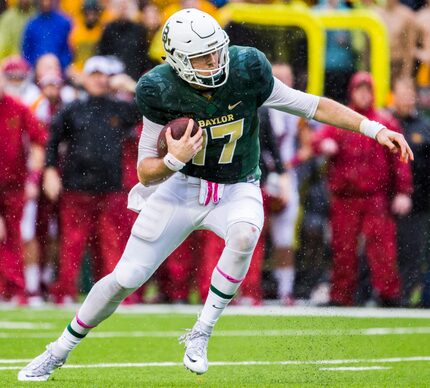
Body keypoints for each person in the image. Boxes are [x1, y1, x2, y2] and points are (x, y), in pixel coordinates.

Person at [18, 8, 413, 382]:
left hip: (236, 184)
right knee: (126, 277)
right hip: (180, 188)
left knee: (244, 234)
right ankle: (59, 349)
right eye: (204, 58)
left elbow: (310, 105)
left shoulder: (247, 68)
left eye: (217, 52)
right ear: (177, 60)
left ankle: (202, 331)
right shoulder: (158, 89)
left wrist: (372, 129)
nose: (215, 62)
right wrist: (173, 160)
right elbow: (144, 170)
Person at [313, 72, 413, 306]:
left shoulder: (384, 122)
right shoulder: (343, 120)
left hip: (374, 198)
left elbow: (399, 160)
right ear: (352, 92)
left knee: (382, 249)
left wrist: (403, 192)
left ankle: (389, 295)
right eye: (360, 90)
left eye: (368, 90)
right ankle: (341, 296)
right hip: (344, 198)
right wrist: (323, 145)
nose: (364, 95)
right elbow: (318, 139)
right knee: (343, 248)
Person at [391, 77, 430, 306]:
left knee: (413, 252)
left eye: (408, 93)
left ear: (415, 97)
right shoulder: (384, 123)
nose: (404, 98)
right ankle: (381, 295)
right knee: (384, 252)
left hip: (419, 203)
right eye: (400, 93)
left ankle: (406, 296)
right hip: (385, 202)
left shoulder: (424, 127)